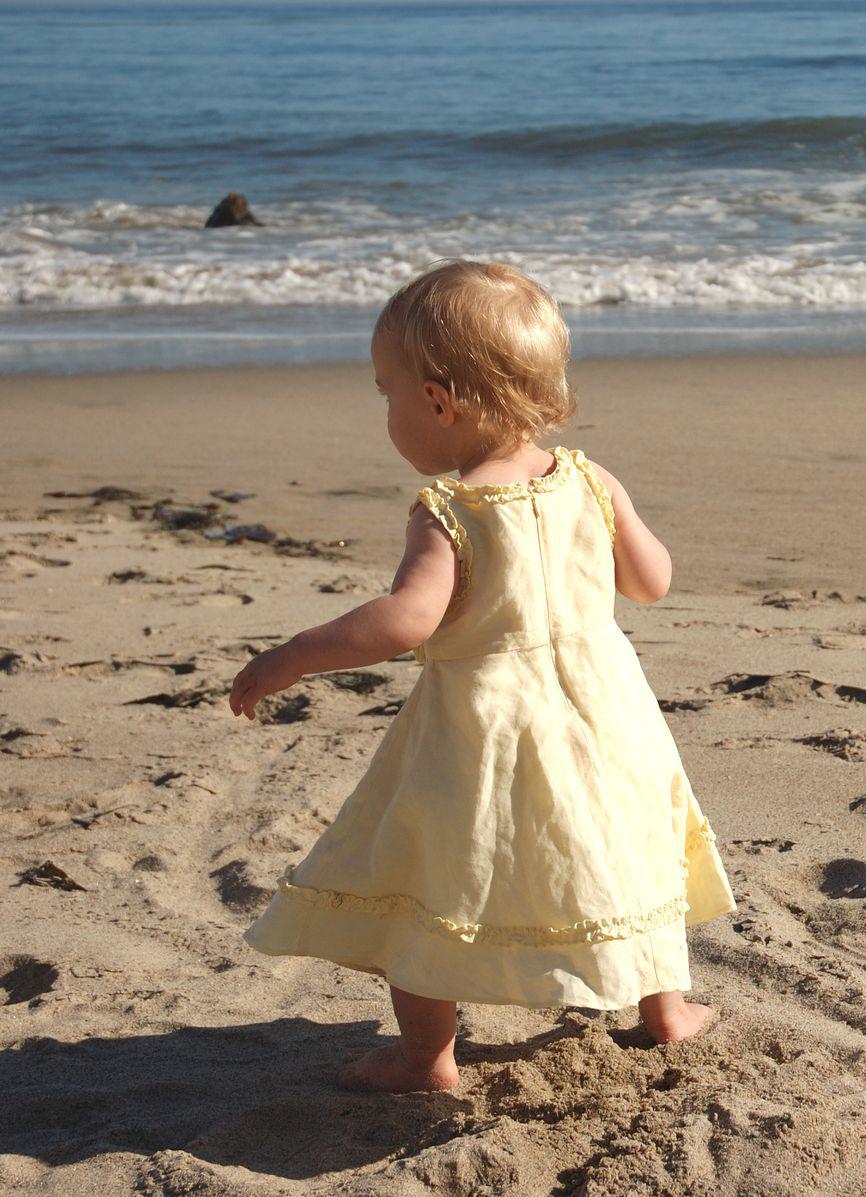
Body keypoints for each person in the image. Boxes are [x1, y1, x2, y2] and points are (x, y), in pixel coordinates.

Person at [231, 259, 737, 1093]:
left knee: (435, 871)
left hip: (488, 728)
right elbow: (652, 581)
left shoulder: (451, 510)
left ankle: (426, 1056)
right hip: (608, 717)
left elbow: (405, 620)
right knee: (631, 844)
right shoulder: (589, 479)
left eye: (388, 393)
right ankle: (669, 1011)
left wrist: (292, 655)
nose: (388, 412)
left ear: (438, 402)